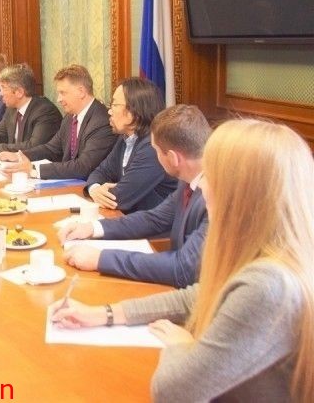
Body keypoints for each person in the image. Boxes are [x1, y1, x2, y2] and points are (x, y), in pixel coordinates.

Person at [52, 119, 314, 402]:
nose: (203, 184)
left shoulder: (268, 286)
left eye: (211, 173)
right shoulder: (270, 252)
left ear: (241, 192)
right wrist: (105, 314)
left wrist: (183, 346)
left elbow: (172, 391)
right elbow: (197, 296)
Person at [59, 105, 211, 287]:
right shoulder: (188, 181)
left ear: (173, 158)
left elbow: (183, 269)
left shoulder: (217, 197)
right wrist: (92, 228)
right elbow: (155, 219)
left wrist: (101, 259)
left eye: (156, 151)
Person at [0, 64, 116, 180]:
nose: (59, 99)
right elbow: (51, 149)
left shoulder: (101, 121)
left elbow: (83, 166)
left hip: (89, 188)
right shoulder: (70, 117)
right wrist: (19, 156)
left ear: (81, 91)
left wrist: (33, 169)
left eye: (63, 93)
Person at [84, 77, 176, 213]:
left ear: (134, 111)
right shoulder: (125, 139)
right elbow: (100, 172)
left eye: (114, 105)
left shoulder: (153, 146)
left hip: (156, 224)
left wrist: (100, 192)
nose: (109, 111)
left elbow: (120, 198)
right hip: (132, 218)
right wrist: (94, 188)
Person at [0, 63, 62, 154]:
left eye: (4, 88)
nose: (0, 93)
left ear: (19, 92)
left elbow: (34, 146)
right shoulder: (12, 109)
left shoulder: (45, 111)